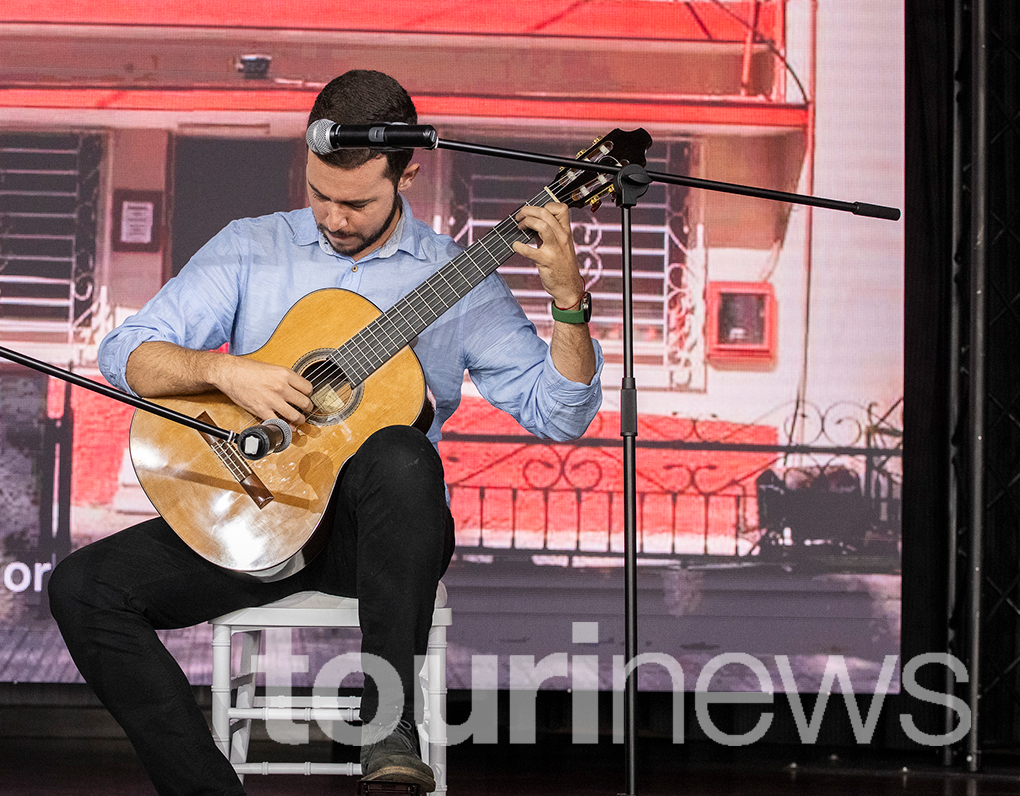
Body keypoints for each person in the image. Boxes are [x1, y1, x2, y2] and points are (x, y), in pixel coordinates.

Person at [49, 69, 604, 795]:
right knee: (83, 587)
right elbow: (128, 354)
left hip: (376, 540)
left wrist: (568, 301)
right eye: (319, 195)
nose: (333, 217)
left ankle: (389, 725)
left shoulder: (456, 276)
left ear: (408, 170)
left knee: (402, 453)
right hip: (257, 515)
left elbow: (560, 413)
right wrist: (230, 374)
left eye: (356, 202)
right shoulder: (252, 247)